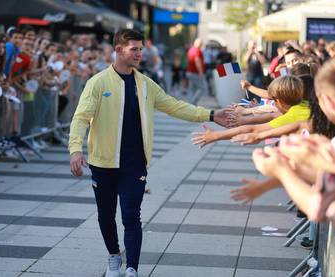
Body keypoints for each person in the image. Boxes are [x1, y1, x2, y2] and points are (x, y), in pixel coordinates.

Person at [68, 29, 229, 277]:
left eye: (141, 49)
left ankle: (132, 268)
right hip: (103, 163)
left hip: (134, 163)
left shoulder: (144, 83)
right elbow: (81, 118)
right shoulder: (98, 83)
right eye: (134, 49)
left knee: (132, 216)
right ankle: (113, 257)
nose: (140, 54)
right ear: (118, 50)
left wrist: (210, 114)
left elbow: (174, 105)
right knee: (106, 215)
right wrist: (75, 149)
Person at [186, 38, 206, 104]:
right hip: (195, 73)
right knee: (202, 88)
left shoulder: (191, 49)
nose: (201, 46)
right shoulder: (197, 51)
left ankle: (190, 104)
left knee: (192, 88)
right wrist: (201, 72)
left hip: (189, 72)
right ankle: (192, 103)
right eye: (201, 44)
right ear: (200, 44)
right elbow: (197, 60)